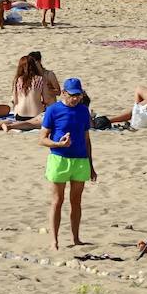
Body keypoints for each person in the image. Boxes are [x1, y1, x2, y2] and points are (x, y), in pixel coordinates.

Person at [39, 77, 96, 250]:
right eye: (73, 95)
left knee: (76, 201)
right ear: (64, 93)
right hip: (59, 159)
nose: (76, 98)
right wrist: (59, 144)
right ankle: (54, 241)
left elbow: (87, 140)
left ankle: (76, 238)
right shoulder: (53, 110)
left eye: (78, 95)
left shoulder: (83, 111)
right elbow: (42, 139)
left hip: (80, 160)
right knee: (57, 200)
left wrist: (91, 166)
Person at [0, 53, 56, 132]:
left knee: (18, 121)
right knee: (41, 123)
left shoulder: (17, 80)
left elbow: (14, 100)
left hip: (20, 114)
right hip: (35, 114)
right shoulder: (40, 79)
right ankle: (8, 126)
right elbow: (47, 99)